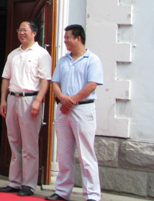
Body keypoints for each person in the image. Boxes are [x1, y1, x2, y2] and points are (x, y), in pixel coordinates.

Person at [45, 25, 103, 201]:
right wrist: (63, 98)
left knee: (86, 154)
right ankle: (62, 191)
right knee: (64, 152)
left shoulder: (92, 59)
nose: (65, 41)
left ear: (78, 38)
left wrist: (73, 100)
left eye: (67, 38)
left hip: (83, 109)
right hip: (63, 109)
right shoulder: (63, 61)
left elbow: (92, 84)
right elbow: (55, 82)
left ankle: (92, 194)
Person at [0, 20, 52, 197]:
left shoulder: (41, 54)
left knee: (29, 145)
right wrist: (3, 100)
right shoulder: (13, 54)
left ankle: (28, 184)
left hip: (30, 100)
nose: (21, 33)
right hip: (13, 98)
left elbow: (45, 80)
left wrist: (38, 101)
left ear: (34, 33)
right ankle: (14, 181)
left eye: (25, 30)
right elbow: (6, 78)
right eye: (19, 30)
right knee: (14, 142)